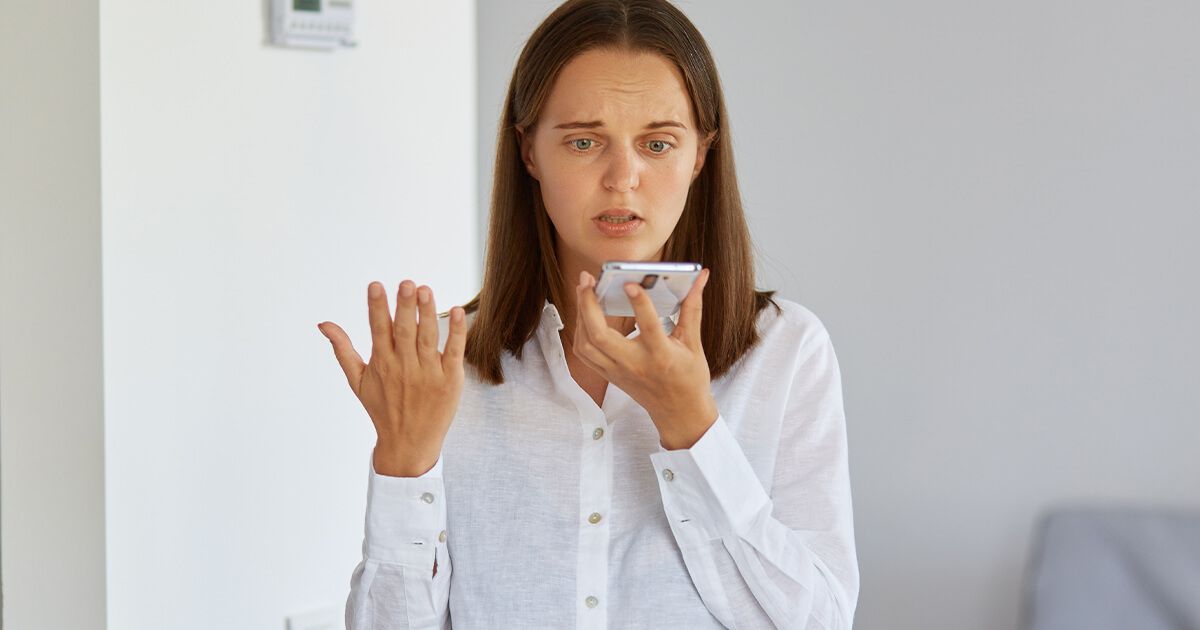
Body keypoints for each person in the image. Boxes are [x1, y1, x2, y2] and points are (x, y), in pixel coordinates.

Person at [316, 0, 859, 627]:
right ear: (529, 154)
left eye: (658, 143)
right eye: (583, 141)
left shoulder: (784, 351)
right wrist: (404, 463)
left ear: (700, 155)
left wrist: (693, 430)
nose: (622, 177)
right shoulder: (441, 366)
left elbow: (817, 621)